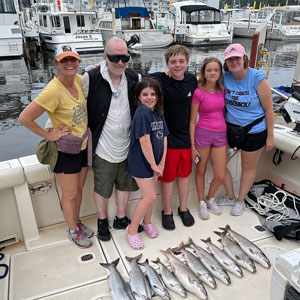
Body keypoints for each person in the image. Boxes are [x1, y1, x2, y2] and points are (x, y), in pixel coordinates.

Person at [19, 44, 94, 248]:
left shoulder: (78, 80)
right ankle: (72, 229)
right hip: (65, 150)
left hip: (83, 144)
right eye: (64, 61)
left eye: (73, 60)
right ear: (56, 65)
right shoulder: (53, 90)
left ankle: (76, 222)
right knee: (69, 194)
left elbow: (100, 68)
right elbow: (24, 118)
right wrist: (49, 136)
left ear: (78, 62)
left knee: (78, 190)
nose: (69, 64)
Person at [81, 37, 142, 241]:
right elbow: (73, 103)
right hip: (102, 146)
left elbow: (152, 94)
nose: (120, 62)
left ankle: (121, 217)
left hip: (127, 145)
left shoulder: (135, 78)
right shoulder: (90, 78)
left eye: (124, 57)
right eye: (115, 57)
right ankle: (101, 221)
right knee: (102, 186)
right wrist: (51, 127)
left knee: (125, 184)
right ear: (105, 56)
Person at [217, 43, 274, 216]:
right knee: (219, 164)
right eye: (230, 59)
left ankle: (240, 201)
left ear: (244, 59)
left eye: (237, 58)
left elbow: (269, 110)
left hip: (254, 132)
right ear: (226, 62)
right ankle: (230, 196)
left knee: (247, 167)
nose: (234, 62)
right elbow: (202, 79)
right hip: (232, 132)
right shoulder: (224, 77)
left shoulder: (258, 78)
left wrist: (270, 136)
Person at [151, 45, 198, 230]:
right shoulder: (160, 79)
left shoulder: (192, 80)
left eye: (181, 61)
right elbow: (135, 77)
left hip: (187, 138)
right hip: (167, 139)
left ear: (187, 62)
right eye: (173, 62)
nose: (177, 65)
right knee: (168, 178)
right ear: (167, 63)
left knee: (184, 176)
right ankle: (167, 211)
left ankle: (184, 208)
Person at [126, 77, 168, 249]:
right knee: (149, 197)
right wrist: (153, 165)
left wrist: (162, 162)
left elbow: (164, 137)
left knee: (150, 198)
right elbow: (144, 141)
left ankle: (147, 222)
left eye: (153, 94)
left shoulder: (157, 112)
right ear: (138, 97)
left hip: (156, 163)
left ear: (158, 96)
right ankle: (132, 230)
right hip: (142, 163)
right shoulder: (142, 112)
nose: (149, 97)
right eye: (145, 94)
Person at [189, 57, 226, 220]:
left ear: (220, 72)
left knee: (220, 174)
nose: (212, 73)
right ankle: (201, 201)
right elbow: (192, 120)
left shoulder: (222, 90)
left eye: (216, 70)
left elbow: (224, 113)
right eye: (209, 70)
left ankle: (210, 197)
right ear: (204, 72)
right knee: (201, 170)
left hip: (221, 136)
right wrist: (192, 146)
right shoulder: (199, 92)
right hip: (202, 134)